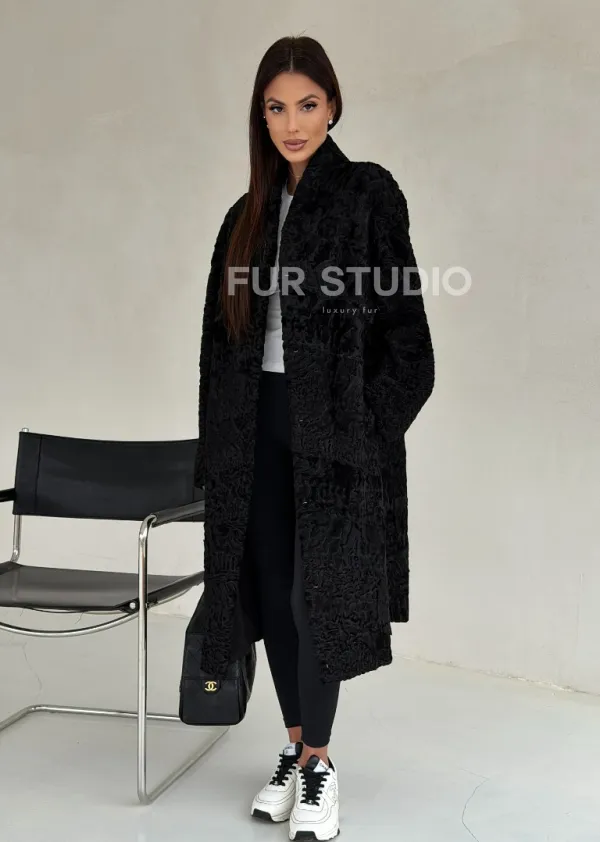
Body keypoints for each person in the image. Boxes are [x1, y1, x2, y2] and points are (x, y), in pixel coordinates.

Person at [194, 35, 435, 841]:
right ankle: (296, 751)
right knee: (269, 594)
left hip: (333, 434)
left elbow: (410, 344)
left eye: (306, 104)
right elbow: (217, 350)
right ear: (260, 117)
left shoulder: (367, 195)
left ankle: (322, 764)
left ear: (333, 106)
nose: (292, 123)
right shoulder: (245, 218)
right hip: (253, 428)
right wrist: (215, 453)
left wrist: (364, 433)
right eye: (276, 108)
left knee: (314, 597)